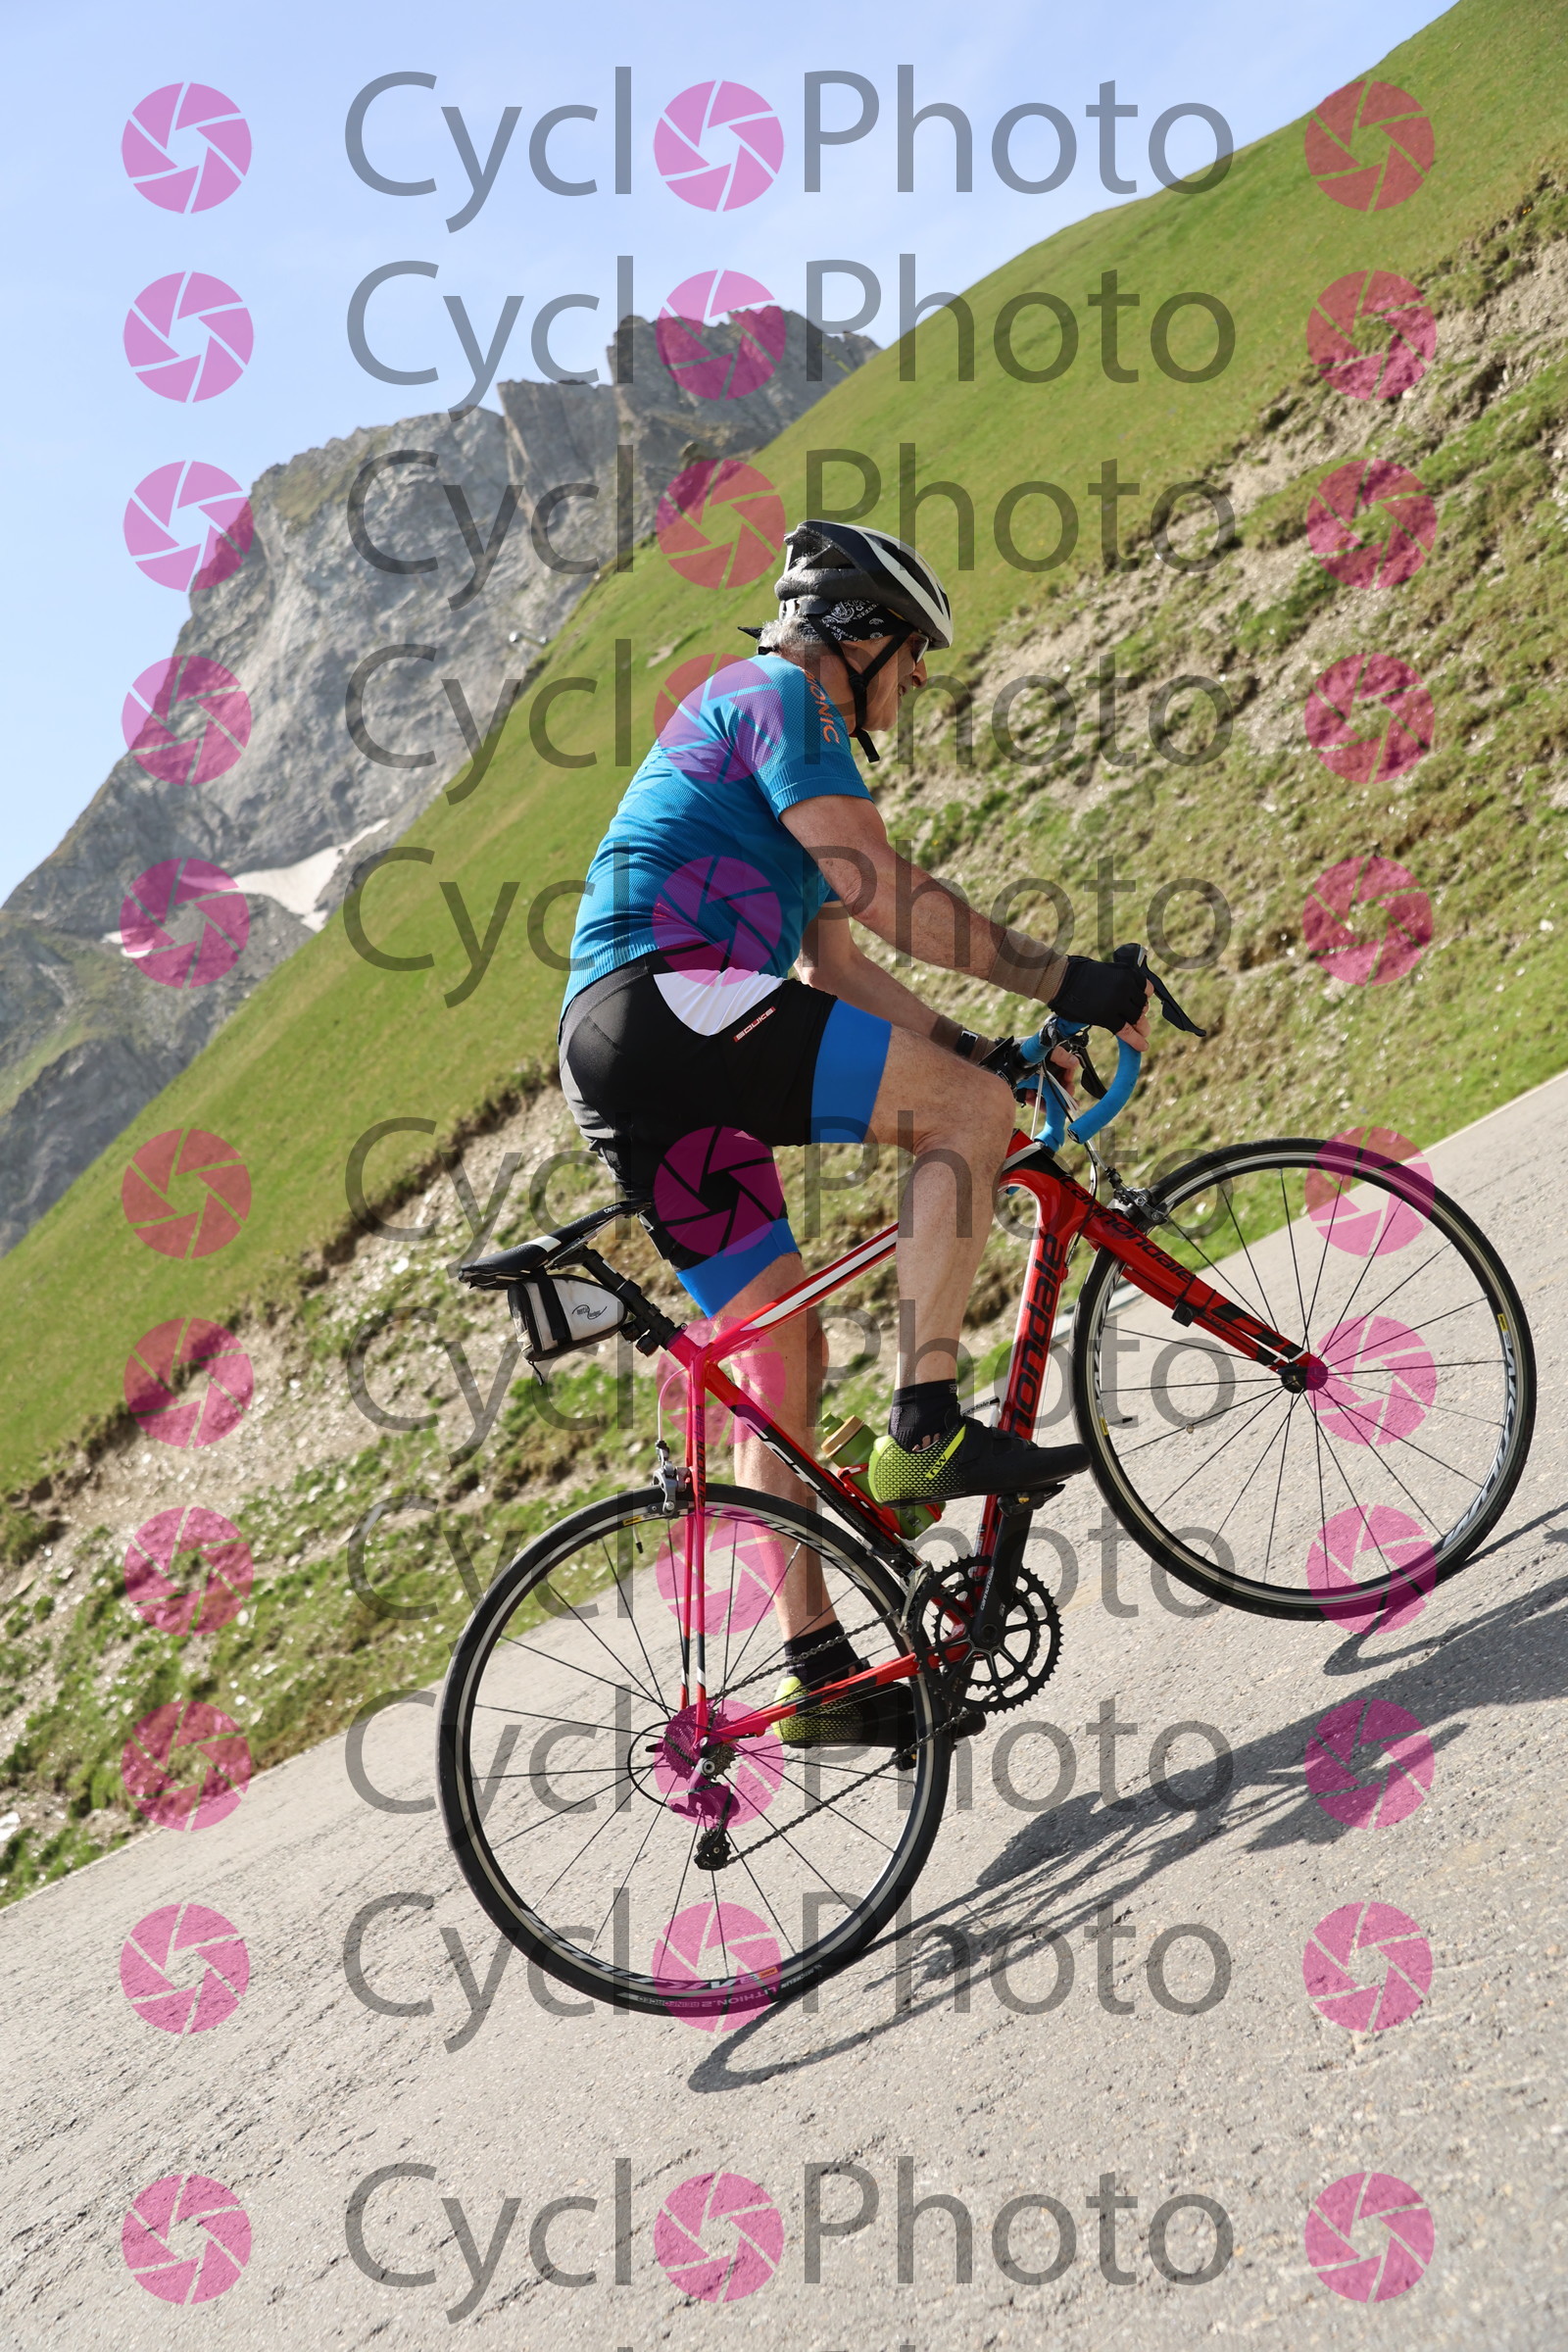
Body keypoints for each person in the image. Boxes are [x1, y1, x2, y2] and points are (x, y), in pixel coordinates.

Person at [559, 519, 1149, 1742]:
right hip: (670, 999)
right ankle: (925, 1425)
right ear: (856, 634)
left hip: (629, 1048)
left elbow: (836, 964)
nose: (918, 678)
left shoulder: (755, 736)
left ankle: (814, 1673)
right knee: (967, 1121)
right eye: (913, 650)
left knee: (781, 1347)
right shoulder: (781, 696)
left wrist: (976, 1048)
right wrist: (1067, 982)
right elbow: (887, 893)